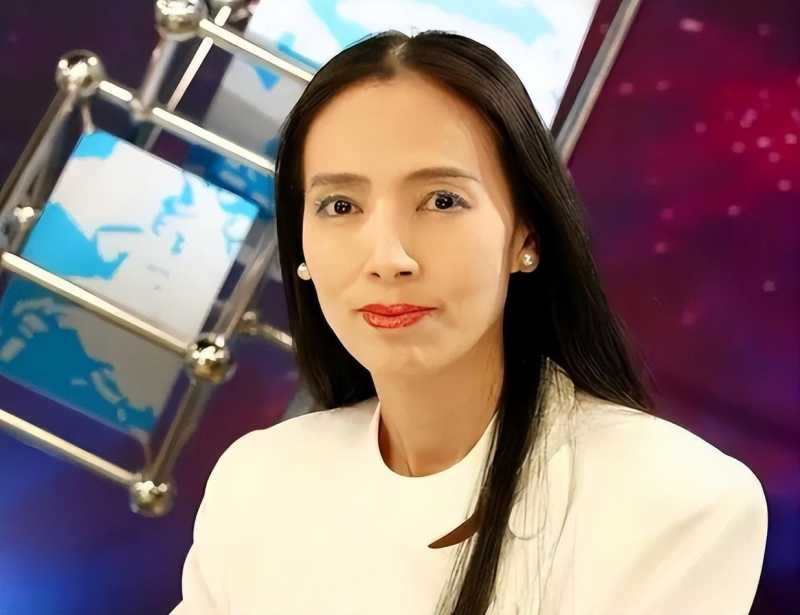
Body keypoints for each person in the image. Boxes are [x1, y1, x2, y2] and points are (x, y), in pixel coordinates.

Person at [171, 29, 768, 614]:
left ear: (525, 235)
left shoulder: (676, 504)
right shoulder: (258, 483)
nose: (388, 257)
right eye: (340, 205)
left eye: (442, 201)